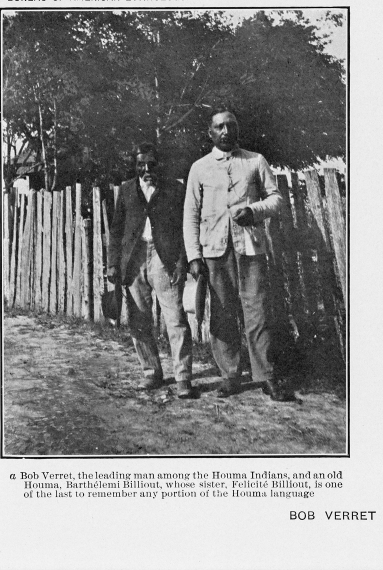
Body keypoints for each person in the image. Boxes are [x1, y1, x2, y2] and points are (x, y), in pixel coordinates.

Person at [183, 109, 293, 401]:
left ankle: (266, 375)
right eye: (219, 127)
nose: (226, 131)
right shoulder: (199, 168)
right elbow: (190, 215)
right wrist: (194, 256)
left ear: (237, 129)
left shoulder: (255, 161)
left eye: (231, 125)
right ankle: (230, 375)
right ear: (210, 133)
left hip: (249, 248)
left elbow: (277, 198)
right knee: (222, 314)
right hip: (215, 252)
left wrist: (254, 211)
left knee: (257, 311)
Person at [107, 144, 194, 399]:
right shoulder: (125, 191)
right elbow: (116, 230)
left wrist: (181, 261)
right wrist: (113, 263)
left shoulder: (174, 189)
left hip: (163, 257)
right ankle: (151, 372)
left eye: (151, 164)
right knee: (138, 318)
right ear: (134, 167)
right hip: (134, 259)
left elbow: (184, 227)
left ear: (159, 164)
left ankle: (183, 378)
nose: (146, 169)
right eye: (140, 165)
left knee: (175, 317)